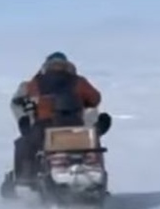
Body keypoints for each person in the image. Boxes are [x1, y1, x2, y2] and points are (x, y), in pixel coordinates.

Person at [10, 52, 111, 182]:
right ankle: (96, 179)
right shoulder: (79, 82)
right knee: (92, 144)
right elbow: (95, 98)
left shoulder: (34, 83)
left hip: (46, 127)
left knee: (25, 144)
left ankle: (25, 180)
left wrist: (25, 119)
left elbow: (17, 101)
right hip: (75, 127)